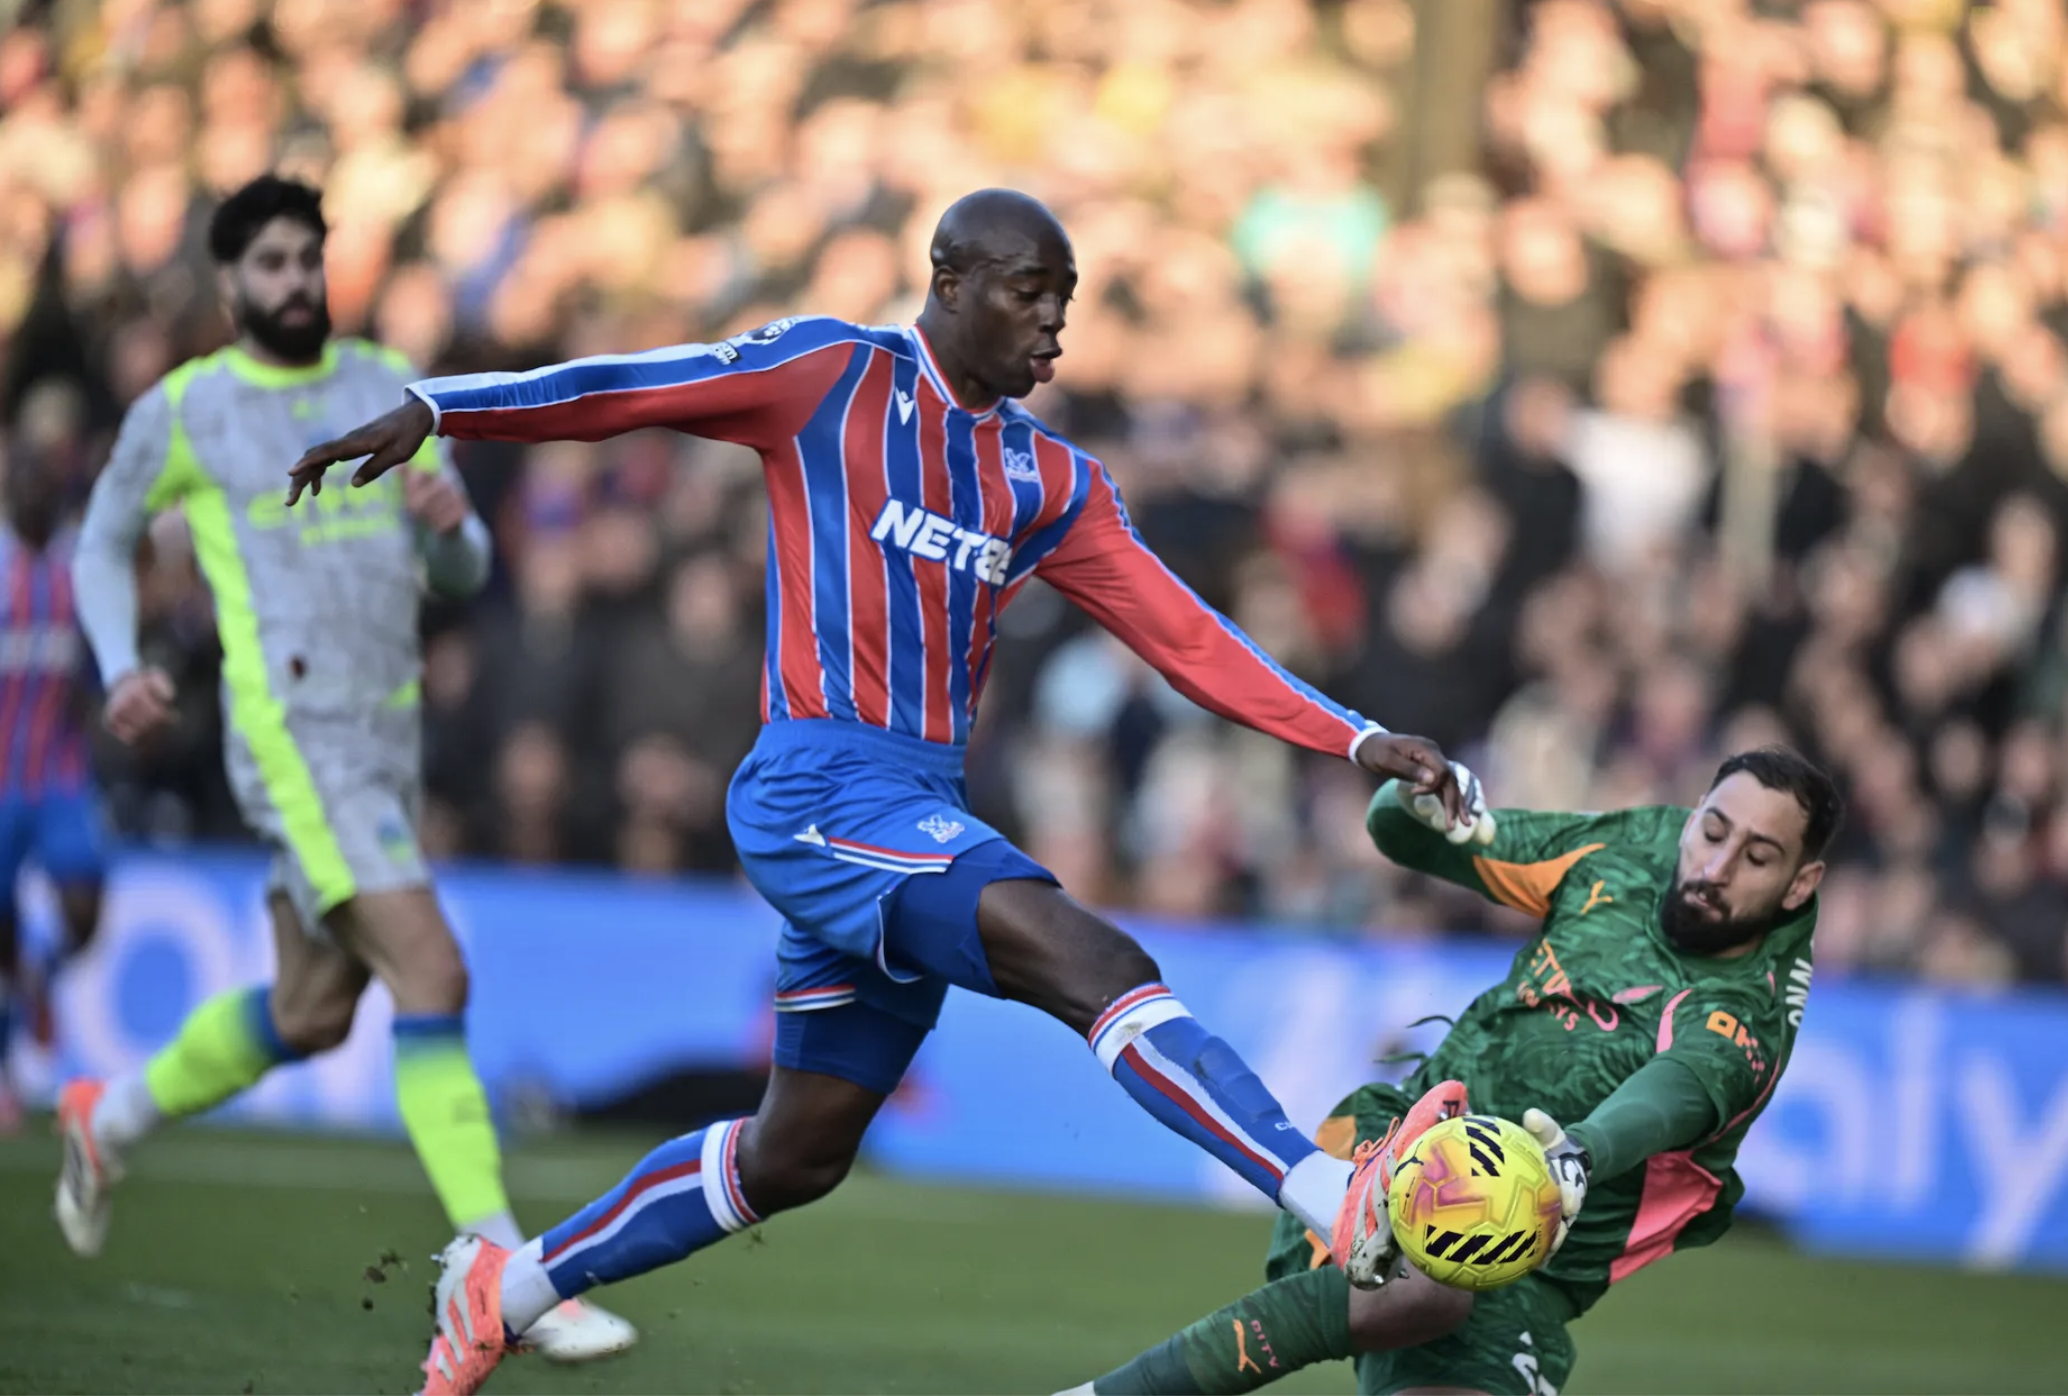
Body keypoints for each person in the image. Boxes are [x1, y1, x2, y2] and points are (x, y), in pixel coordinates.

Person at [283, 187, 1491, 1395]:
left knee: (794, 1153)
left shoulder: (1051, 479)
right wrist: (446, 405)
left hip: (914, 802)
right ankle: (1334, 1193)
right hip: (815, 782)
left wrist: (1353, 736)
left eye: (1065, 300)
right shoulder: (829, 376)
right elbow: (632, 387)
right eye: (1031, 292)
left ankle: (507, 1287)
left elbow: (1184, 634)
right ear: (950, 278)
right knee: (1091, 960)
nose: (1055, 325)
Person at [58, 174, 632, 1363]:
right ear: (228, 283)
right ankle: (505, 1270)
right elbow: (106, 540)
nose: (295, 283)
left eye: (308, 259)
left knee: (314, 1013)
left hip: (385, 743)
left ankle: (104, 1115)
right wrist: (120, 660)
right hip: (296, 743)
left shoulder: (387, 388)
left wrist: (452, 530)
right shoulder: (188, 409)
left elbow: (469, 577)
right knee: (432, 965)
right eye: (270, 264)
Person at [1067, 746, 1841, 1396]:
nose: (1715, 864)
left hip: (1527, 1279)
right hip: (1387, 1144)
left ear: (1800, 884)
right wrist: (1416, 802)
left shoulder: (1753, 1009)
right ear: (1695, 810)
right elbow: (1407, 836)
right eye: (1712, 830)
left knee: (1452, 1273)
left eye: (1757, 856)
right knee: (1432, 1274)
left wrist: (1576, 1154)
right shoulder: (1633, 845)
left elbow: (1671, 1095)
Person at [0, 451, 107, 1131]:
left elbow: (92, 669)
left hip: (60, 773)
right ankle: (8, 1067)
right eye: (25, 482)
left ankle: (39, 970)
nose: (36, 493)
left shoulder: (77, 572)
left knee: (85, 907)